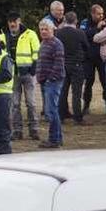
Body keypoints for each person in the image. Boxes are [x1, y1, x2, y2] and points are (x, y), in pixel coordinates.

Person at [0, 12, 42, 141]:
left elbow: (37, 51)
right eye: (10, 22)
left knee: (31, 103)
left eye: (15, 21)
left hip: (28, 73)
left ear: (19, 21)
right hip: (12, 75)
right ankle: (17, 130)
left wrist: (34, 67)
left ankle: (34, 129)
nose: (12, 24)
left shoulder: (30, 34)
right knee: (15, 104)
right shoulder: (2, 36)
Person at [56, 12, 90, 125]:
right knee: (76, 92)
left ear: (65, 20)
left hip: (62, 64)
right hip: (76, 64)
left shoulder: (58, 33)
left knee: (63, 91)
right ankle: (77, 117)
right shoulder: (80, 33)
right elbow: (86, 47)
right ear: (76, 21)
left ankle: (61, 115)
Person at [36, 18, 66, 148]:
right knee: (51, 111)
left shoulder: (56, 44)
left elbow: (59, 64)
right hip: (45, 81)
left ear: (52, 29)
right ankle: (57, 138)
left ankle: (54, 139)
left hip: (53, 81)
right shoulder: (44, 43)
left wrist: (50, 78)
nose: (43, 31)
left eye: (46, 29)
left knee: (51, 111)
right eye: (41, 29)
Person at [80, 4, 106, 116]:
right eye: (98, 14)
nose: (101, 16)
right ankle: (86, 105)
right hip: (88, 58)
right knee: (89, 82)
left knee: (105, 82)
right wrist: (97, 28)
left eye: (102, 13)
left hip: (102, 58)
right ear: (92, 14)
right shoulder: (85, 22)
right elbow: (83, 35)